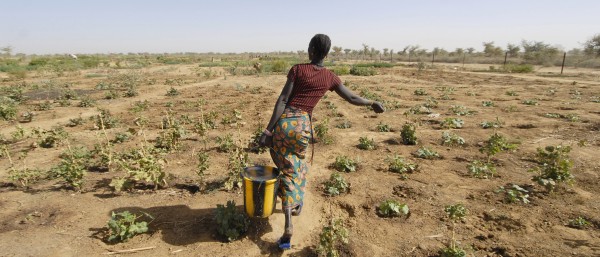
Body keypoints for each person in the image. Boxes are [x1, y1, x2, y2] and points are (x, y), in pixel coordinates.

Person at [258, 34, 385, 250]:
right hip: (302, 127)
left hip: (284, 124)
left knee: (285, 168)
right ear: (326, 54)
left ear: (311, 50)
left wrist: (268, 132)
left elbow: (282, 100)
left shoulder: (298, 69)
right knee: (296, 167)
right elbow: (352, 98)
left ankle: (288, 223)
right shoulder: (330, 77)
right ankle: (296, 204)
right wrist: (371, 102)